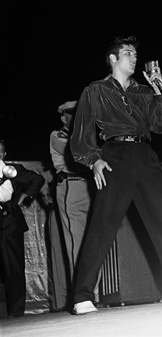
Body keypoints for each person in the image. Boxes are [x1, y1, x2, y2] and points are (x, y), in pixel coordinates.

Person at [69, 36, 162, 315]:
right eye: (128, 53)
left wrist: (158, 90)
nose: (134, 58)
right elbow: (81, 133)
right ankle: (82, 296)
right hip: (114, 155)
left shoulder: (144, 92)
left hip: (145, 155)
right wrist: (94, 160)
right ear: (113, 58)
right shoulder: (95, 90)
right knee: (102, 225)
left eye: (135, 54)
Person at [49, 101, 96, 307]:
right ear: (64, 117)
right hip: (71, 186)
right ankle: (81, 296)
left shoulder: (88, 135)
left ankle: (93, 293)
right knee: (76, 243)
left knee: (94, 241)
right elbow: (77, 155)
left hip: (90, 186)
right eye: (73, 114)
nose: (77, 117)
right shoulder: (58, 136)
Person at [0, 140, 45, 318]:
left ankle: (17, 312)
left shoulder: (14, 170)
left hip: (9, 223)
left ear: (4, 155)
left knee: (14, 268)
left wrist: (24, 197)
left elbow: (38, 180)